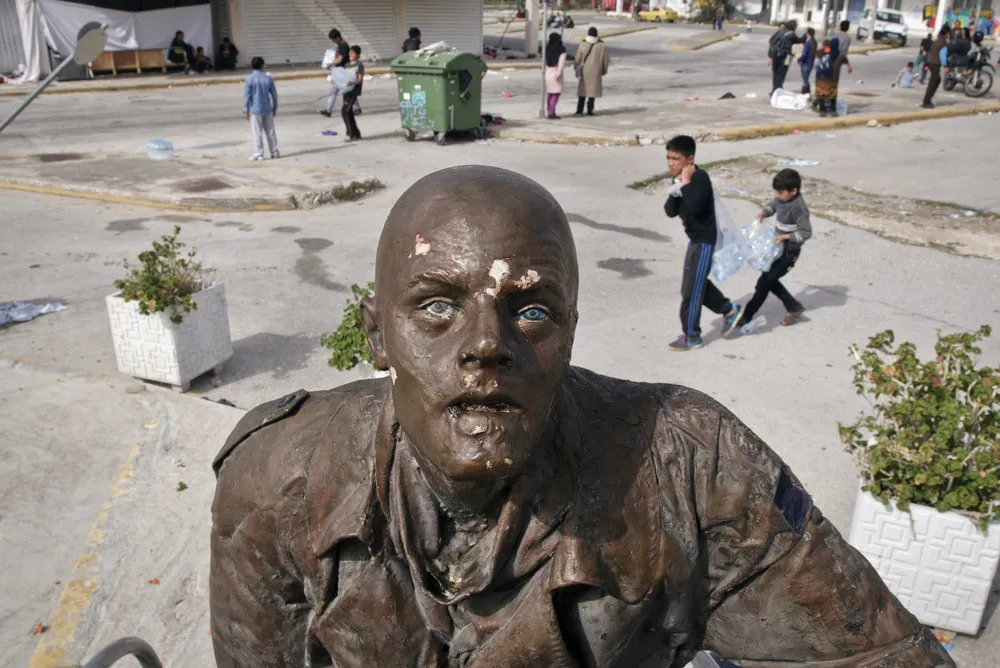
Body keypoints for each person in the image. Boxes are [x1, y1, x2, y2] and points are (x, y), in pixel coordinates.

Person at [209, 165, 956, 667]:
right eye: (437, 306)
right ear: (376, 331)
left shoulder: (692, 468)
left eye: (531, 311)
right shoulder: (275, 481)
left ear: (570, 329)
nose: (485, 348)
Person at [663, 135, 741, 351]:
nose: (671, 163)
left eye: (676, 158)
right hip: (694, 240)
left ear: (690, 159)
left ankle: (692, 336)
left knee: (691, 292)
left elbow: (696, 206)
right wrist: (677, 186)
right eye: (668, 158)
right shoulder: (679, 181)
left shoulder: (700, 178)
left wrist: (686, 183)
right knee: (695, 284)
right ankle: (729, 310)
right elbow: (670, 211)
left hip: (705, 241)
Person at [732, 168, 810, 333]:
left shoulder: (799, 208)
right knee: (768, 281)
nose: (778, 195)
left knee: (765, 282)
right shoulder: (782, 199)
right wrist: (764, 213)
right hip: (778, 249)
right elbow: (773, 205)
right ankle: (793, 306)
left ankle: (747, 316)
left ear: (794, 191)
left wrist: (785, 237)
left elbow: (805, 233)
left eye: (781, 192)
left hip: (790, 252)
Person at [242, 56, 279, 161]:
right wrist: (275, 107)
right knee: (270, 130)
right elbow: (274, 95)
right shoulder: (268, 78)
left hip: (255, 109)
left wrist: (246, 109)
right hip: (267, 108)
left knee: (257, 132)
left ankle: (259, 154)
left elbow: (247, 96)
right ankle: (274, 151)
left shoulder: (249, 79)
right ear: (262, 65)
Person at [574, 26, 610, 116]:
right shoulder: (602, 46)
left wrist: (576, 68)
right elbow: (605, 60)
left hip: (584, 71)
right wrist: (604, 70)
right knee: (592, 92)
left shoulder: (583, 44)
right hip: (595, 72)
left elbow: (577, 58)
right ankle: (590, 110)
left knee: (582, 92)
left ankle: (579, 110)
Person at [320, 29, 350, 118]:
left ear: (337, 37)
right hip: (340, 71)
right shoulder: (340, 45)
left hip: (342, 72)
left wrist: (330, 63)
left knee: (335, 91)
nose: (333, 41)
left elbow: (340, 60)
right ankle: (357, 108)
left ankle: (328, 110)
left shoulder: (343, 46)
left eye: (333, 39)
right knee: (347, 90)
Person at [922, 23, 951, 109]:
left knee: (937, 80)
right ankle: (926, 101)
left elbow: (930, 52)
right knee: (933, 82)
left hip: (930, 62)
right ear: (946, 34)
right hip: (935, 64)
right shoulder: (943, 43)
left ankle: (928, 100)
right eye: (948, 34)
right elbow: (942, 55)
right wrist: (945, 66)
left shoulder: (936, 41)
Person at [769, 20, 801, 94]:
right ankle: (777, 89)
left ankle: (774, 89)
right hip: (786, 56)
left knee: (776, 73)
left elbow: (771, 40)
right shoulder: (792, 34)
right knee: (782, 73)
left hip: (775, 55)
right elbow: (799, 41)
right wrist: (806, 36)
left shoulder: (779, 31)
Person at [342, 45, 364, 140]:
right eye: (350, 52)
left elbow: (359, 80)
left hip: (353, 91)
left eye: (353, 53)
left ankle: (351, 134)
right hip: (346, 91)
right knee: (347, 112)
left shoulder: (359, 65)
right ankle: (356, 133)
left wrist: (351, 82)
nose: (351, 54)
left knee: (346, 112)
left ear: (358, 55)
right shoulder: (347, 65)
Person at [813, 39, 840, 116]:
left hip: (821, 75)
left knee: (821, 93)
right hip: (831, 76)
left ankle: (822, 110)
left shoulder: (821, 52)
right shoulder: (836, 52)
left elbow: (817, 63)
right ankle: (832, 110)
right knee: (832, 93)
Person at [544, 32, 567, 119]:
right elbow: (561, 64)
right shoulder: (561, 50)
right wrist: (558, 73)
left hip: (548, 74)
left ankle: (549, 109)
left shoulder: (548, 48)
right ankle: (551, 112)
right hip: (556, 74)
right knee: (555, 94)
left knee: (550, 94)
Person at [798, 27, 817, 94]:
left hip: (805, 64)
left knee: (805, 80)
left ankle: (806, 93)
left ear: (808, 33)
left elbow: (804, 54)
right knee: (806, 79)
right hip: (810, 63)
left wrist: (799, 60)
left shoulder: (808, 42)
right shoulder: (814, 42)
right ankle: (807, 93)